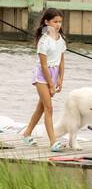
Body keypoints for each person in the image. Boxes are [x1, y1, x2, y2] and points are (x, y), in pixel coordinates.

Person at [19, 8, 66, 148]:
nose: (58, 25)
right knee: (49, 108)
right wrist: (51, 84)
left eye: (60, 22)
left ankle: (26, 133)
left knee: (41, 108)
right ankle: (53, 142)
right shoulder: (43, 41)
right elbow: (44, 66)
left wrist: (60, 79)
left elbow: (61, 61)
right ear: (47, 22)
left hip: (53, 74)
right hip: (42, 77)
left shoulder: (61, 40)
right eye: (55, 21)